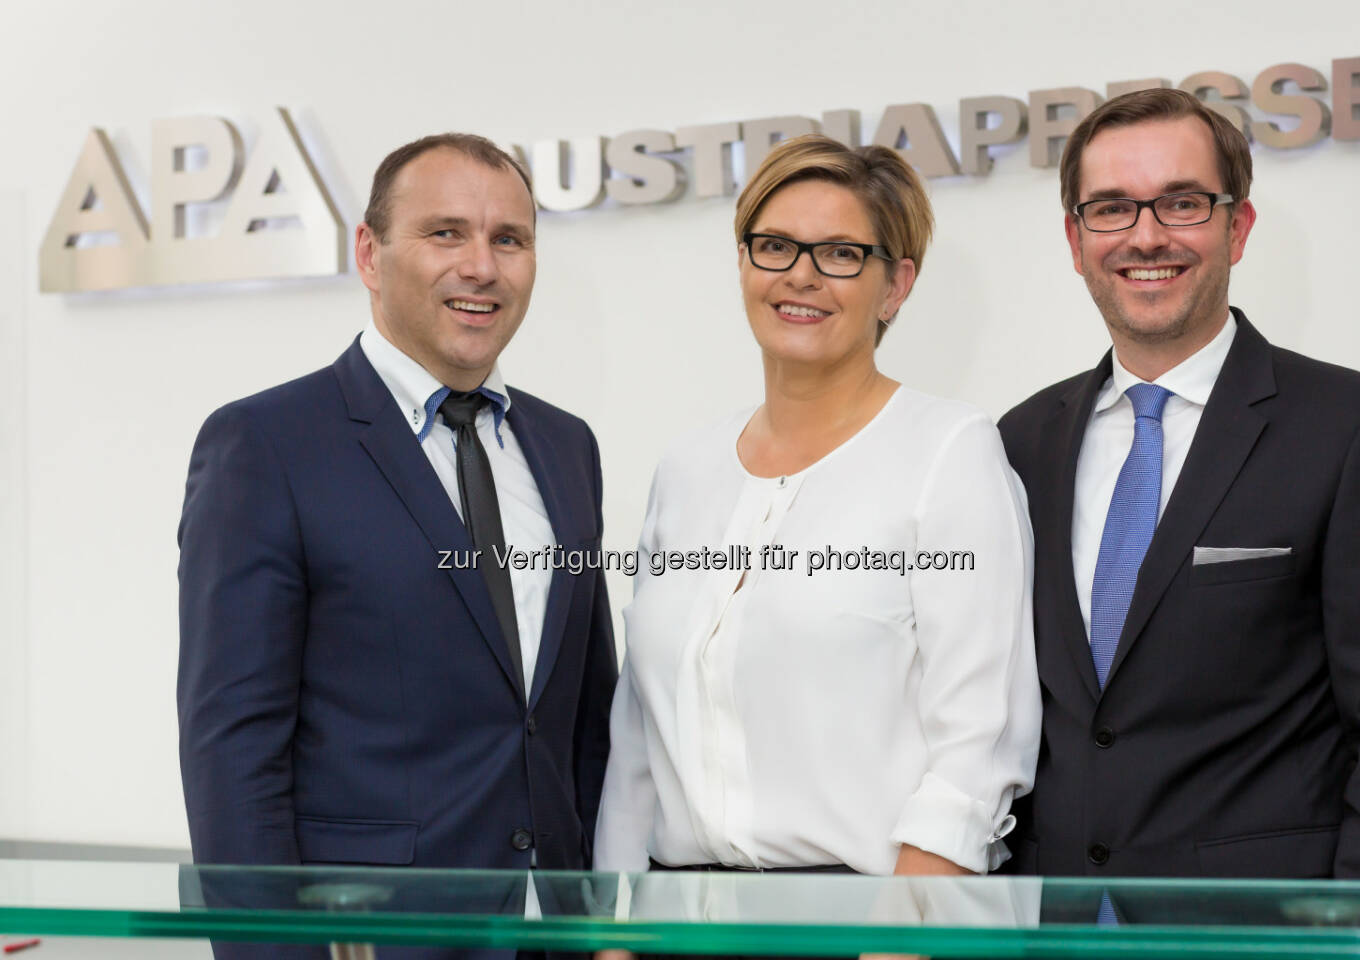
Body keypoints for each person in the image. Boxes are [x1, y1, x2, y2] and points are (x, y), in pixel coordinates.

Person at [998, 88, 1360, 879]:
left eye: (1182, 203)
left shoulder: (1358, 429)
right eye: (1111, 209)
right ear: (1074, 238)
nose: (1145, 235)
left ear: (1238, 227)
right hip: (1053, 923)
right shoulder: (1020, 442)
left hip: (1269, 929)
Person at [177, 134, 617, 895]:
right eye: (445, 232)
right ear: (371, 255)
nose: (481, 266)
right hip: (377, 937)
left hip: (557, 932)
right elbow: (233, 753)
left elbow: (585, 719)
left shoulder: (566, 445)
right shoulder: (265, 445)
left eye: (508, 239)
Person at [593, 135, 1041, 879]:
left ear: (895, 286)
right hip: (681, 925)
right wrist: (614, 935)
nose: (800, 276)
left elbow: (977, 751)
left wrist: (897, 945)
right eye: (775, 246)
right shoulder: (687, 469)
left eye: (839, 254)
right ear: (743, 263)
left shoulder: (949, 453)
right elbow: (640, 741)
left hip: (870, 925)